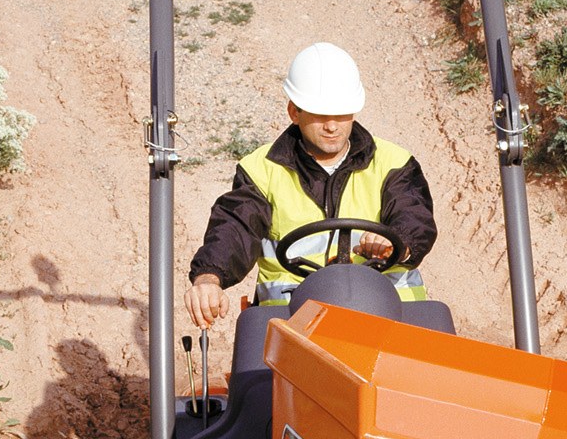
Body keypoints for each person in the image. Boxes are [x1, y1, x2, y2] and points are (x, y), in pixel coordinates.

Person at [184, 42, 436, 329]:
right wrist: (209, 278)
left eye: (341, 113)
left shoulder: (394, 162)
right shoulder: (261, 170)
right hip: (291, 325)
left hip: (390, 319)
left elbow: (414, 216)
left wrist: (398, 240)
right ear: (294, 112)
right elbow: (235, 227)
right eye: (320, 113)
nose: (332, 126)